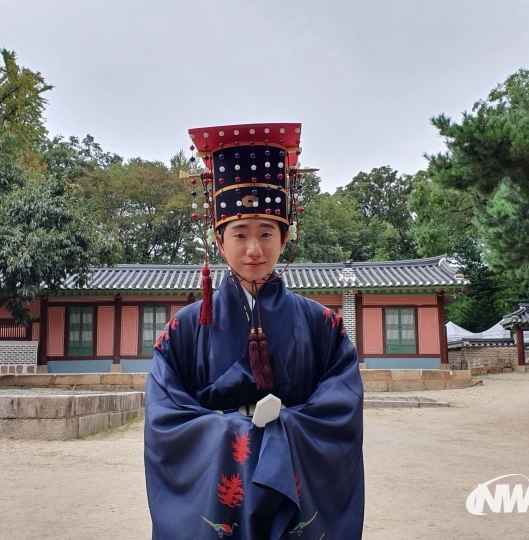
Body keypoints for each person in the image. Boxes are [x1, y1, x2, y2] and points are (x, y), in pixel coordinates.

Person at [144, 123, 365, 539]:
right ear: (218, 239)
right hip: (220, 483)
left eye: (266, 233)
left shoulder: (322, 324)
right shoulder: (184, 328)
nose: (253, 249)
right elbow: (164, 416)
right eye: (240, 234)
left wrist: (284, 428)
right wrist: (233, 432)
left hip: (294, 479)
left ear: (285, 237)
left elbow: (342, 406)